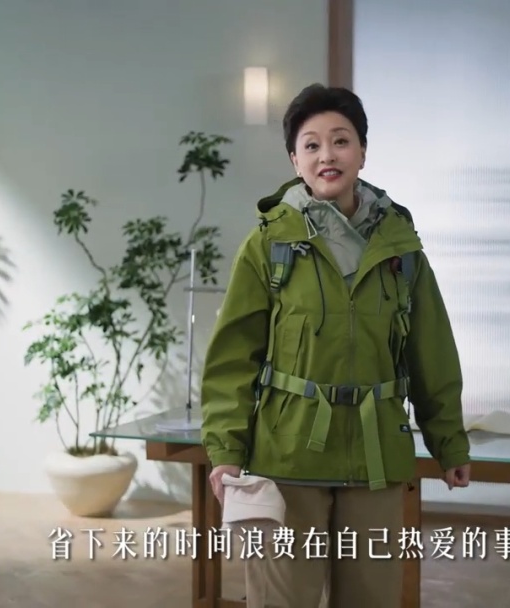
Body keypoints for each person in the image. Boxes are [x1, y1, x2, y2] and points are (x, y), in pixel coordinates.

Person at [200, 83, 471, 608]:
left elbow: (432, 351)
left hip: (376, 457)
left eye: (341, 141)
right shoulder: (268, 245)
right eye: (312, 144)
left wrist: (449, 442)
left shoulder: (401, 249)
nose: (327, 155)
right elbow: (232, 360)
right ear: (295, 160)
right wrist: (226, 450)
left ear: (362, 152)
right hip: (287, 458)